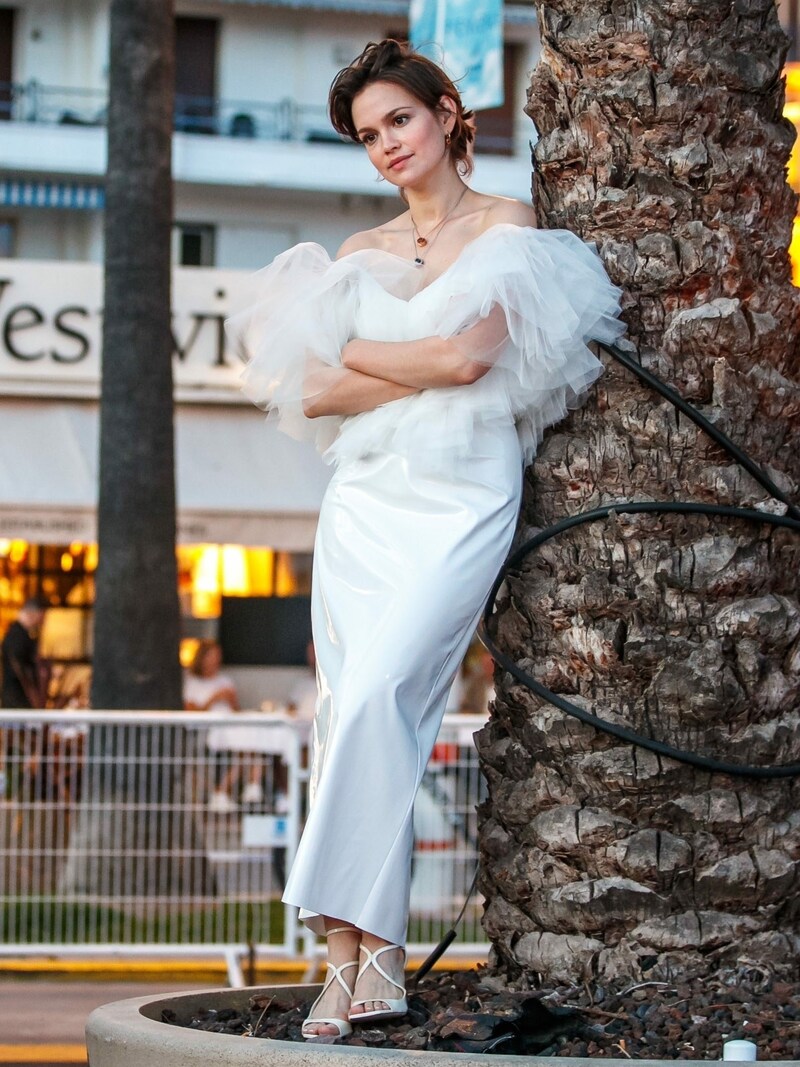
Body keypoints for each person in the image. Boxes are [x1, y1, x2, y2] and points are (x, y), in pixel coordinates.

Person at [231, 39, 624, 1039]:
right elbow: (311, 389)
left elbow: (463, 359)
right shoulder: (356, 254)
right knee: (349, 712)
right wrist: (390, 363)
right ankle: (357, 962)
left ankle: (365, 952)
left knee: (377, 697)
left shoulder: (513, 230)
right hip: (362, 501)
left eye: (397, 120)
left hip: (458, 496)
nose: (385, 146)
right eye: (367, 136)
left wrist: (361, 352)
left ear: (448, 112)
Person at [183, 639, 263, 811]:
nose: (215, 660)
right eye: (212, 656)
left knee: (252, 742)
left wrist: (231, 699)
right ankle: (235, 789)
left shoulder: (225, 680)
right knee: (246, 745)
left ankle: (246, 785)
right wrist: (213, 699)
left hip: (231, 725)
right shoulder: (191, 682)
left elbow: (237, 710)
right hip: (206, 729)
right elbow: (191, 711)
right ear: (202, 658)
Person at [1, 598, 47, 709]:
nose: (43, 621)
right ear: (34, 614)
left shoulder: (18, 634)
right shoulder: (17, 636)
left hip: (17, 695)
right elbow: (19, 668)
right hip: (18, 697)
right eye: (42, 616)